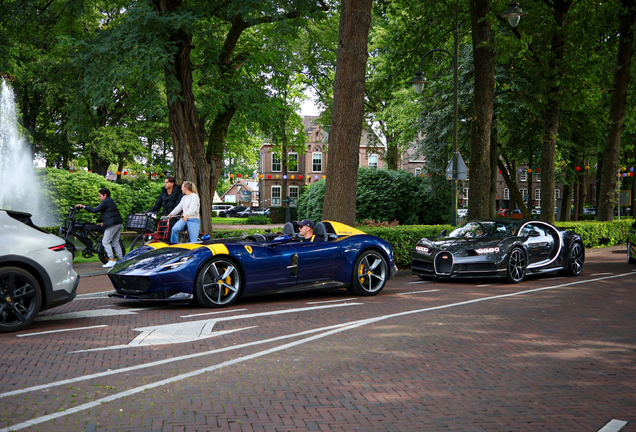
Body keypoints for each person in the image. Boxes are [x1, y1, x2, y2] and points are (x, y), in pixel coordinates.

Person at [76, 188, 124, 268]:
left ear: (105, 195)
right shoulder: (110, 201)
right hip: (118, 223)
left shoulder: (105, 202)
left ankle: (111, 260)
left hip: (112, 225)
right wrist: (104, 222)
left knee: (105, 242)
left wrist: (84, 206)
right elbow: (110, 214)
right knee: (115, 242)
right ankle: (121, 259)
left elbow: (95, 210)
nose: (99, 198)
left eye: (100, 196)